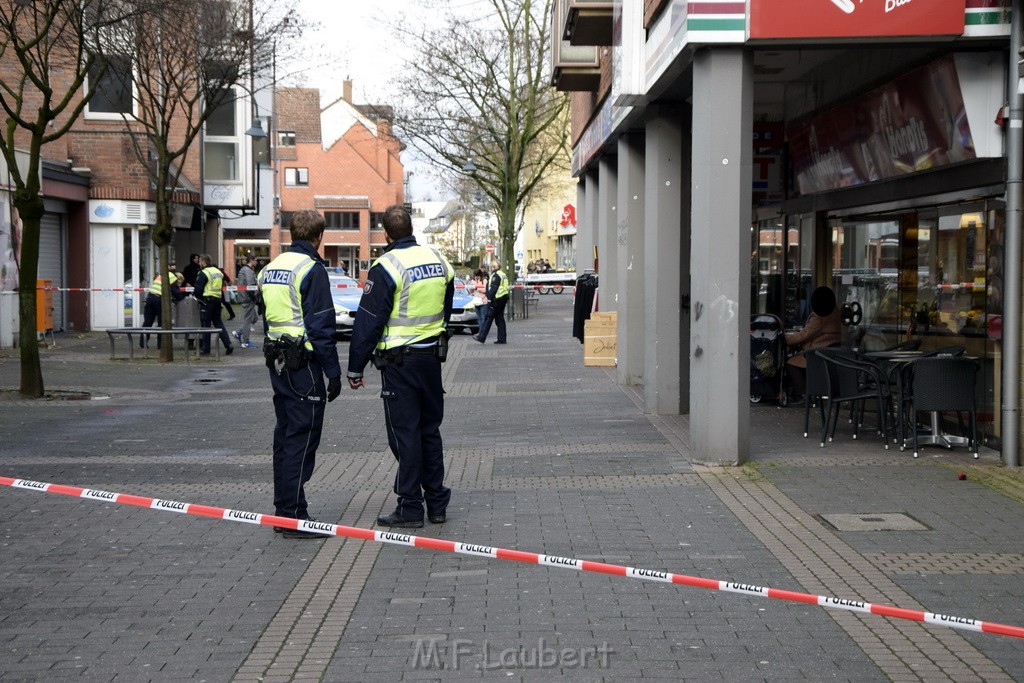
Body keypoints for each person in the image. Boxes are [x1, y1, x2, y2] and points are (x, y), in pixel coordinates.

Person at [347, 204, 455, 529]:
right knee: (429, 431)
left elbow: (369, 322)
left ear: (386, 233)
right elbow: (446, 303)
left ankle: (410, 508)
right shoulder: (437, 259)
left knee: (405, 435)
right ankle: (437, 503)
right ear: (411, 228)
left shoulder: (386, 266)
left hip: (399, 363)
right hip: (431, 360)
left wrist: (355, 367)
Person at [259, 210, 342, 539]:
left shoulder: (271, 268)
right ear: (319, 237)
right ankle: (293, 515)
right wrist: (333, 373)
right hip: (303, 364)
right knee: (302, 438)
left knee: (286, 435)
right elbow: (321, 327)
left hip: (278, 361)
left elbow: (267, 317)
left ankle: (284, 509)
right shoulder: (312, 269)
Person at [784, 285, 841, 399]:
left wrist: (784, 338)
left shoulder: (820, 317)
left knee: (791, 363)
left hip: (817, 354)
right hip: (830, 353)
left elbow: (804, 335)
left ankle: (804, 393)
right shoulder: (836, 312)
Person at [194, 254, 234, 356]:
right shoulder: (218, 272)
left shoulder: (204, 273)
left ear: (204, 262)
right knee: (218, 323)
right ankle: (228, 344)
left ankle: (206, 349)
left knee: (205, 325)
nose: (199, 263)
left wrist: (199, 297)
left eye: (200, 262)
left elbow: (198, 291)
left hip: (207, 301)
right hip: (217, 299)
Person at [140, 270, 184, 348]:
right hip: (158, 300)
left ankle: (142, 343)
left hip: (150, 298)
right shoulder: (172, 277)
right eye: (179, 283)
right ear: (178, 278)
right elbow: (176, 292)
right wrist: (180, 299)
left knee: (147, 322)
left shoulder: (162, 274)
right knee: (162, 323)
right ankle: (161, 345)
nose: (178, 284)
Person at [473, 261, 509, 344]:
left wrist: (489, 297)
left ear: (493, 267)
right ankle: (502, 339)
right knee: (500, 319)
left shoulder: (495, 276)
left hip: (496, 300)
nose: (490, 268)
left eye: (491, 266)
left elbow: (493, 289)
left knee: (488, 319)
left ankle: (481, 337)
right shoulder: (503, 274)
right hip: (503, 298)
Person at [233, 256, 260, 349]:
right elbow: (250, 286)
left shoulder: (245, 270)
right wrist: (255, 296)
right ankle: (246, 341)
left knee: (255, 318)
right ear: (251, 260)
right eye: (256, 260)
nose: (257, 262)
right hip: (247, 298)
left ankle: (238, 332)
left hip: (245, 297)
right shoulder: (248, 270)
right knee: (248, 320)